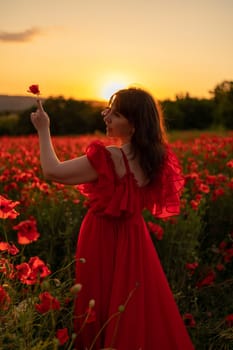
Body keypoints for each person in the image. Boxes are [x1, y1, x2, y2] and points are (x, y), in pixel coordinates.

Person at [31, 87, 194, 350]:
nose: (106, 116)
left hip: (102, 239)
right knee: (133, 303)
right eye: (108, 110)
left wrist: (43, 128)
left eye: (115, 114)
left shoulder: (111, 157)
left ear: (134, 124)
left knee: (100, 301)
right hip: (135, 240)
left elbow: (53, 171)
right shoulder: (155, 159)